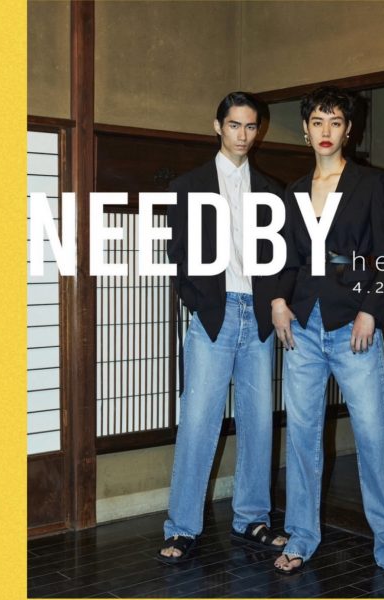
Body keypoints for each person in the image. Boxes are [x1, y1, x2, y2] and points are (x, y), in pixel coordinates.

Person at [270, 86, 384, 582]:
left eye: (335, 122)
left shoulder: (371, 183)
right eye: (317, 122)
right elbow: (285, 259)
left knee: (374, 436)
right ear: (306, 129)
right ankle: (300, 539)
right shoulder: (293, 192)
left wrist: (371, 313)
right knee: (302, 438)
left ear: (348, 130)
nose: (326, 131)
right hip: (303, 328)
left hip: (354, 325)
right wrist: (277, 302)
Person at [159, 91, 287, 562]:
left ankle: (252, 518)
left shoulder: (272, 191)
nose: (243, 135)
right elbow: (178, 256)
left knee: (258, 421)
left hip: (257, 316)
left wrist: (272, 306)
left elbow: (281, 257)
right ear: (218, 127)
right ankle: (182, 528)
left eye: (251, 126)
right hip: (214, 314)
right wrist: (199, 304)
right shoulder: (188, 186)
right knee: (198, 421)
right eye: (234, 125)